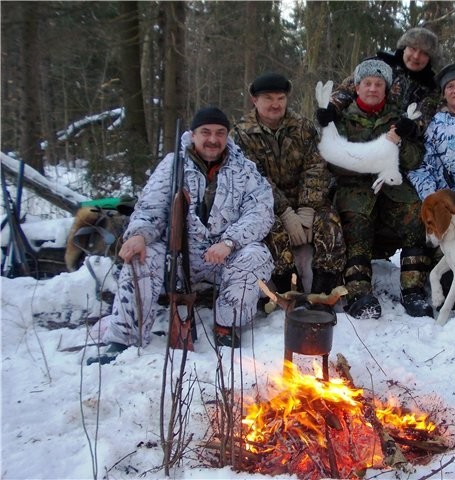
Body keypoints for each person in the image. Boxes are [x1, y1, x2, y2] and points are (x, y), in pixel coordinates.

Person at [87, 107, 275, 363]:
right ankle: (124, 340)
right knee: (142, 254)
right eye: (205, 132)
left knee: (257, 255)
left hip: (223, 255)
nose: (213, 139)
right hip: (177, 258)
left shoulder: (245, 169)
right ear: (193, 134)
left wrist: (230, 242)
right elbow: (150, 206)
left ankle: (227, 327)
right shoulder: (173, 164)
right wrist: (140, 234)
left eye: (220, 133)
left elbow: (261, 211)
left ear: (227, 136)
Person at [316, 59, 435, 320]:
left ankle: (413, 289)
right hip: (355, 190)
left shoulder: (400, 117)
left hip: (393, 187)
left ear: (386, 88)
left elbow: (414, 159)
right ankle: (359, 293)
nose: (372, 89)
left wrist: (402, 140)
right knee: (356, 225)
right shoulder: (342, 119)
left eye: (378, 84)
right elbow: (334, 161)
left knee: (415, 216)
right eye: (367, 83)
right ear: (357, 88)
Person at [232, 72, 346, 302]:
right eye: (268, 98)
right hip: (267, 204)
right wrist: (285, 212)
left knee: (331, 223)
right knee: (271, 229)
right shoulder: (241, 135)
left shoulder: (303, 127)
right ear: (255, 100)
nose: (276, 104)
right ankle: (288, 291)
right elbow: (256, 179)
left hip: (306, 200)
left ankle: (322, 292)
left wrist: (307, 209)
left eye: (280, 98)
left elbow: (316, 167)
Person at [329, 27, 442, 127]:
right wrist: (333, 108)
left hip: (399, 143)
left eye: (424, 53)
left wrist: (412, 128)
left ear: (430, 58)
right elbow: (346, 90)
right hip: (358, 130)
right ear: (404, 48)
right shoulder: (378, 64)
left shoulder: (432, 88)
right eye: (413, 48)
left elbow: (426, 120)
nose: (416, 56)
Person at [407, 62, 455, 200]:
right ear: (443, 94)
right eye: (450, 86)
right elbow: (422, 166)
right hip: (452, 203)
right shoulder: (434, 126)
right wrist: (432, 199)